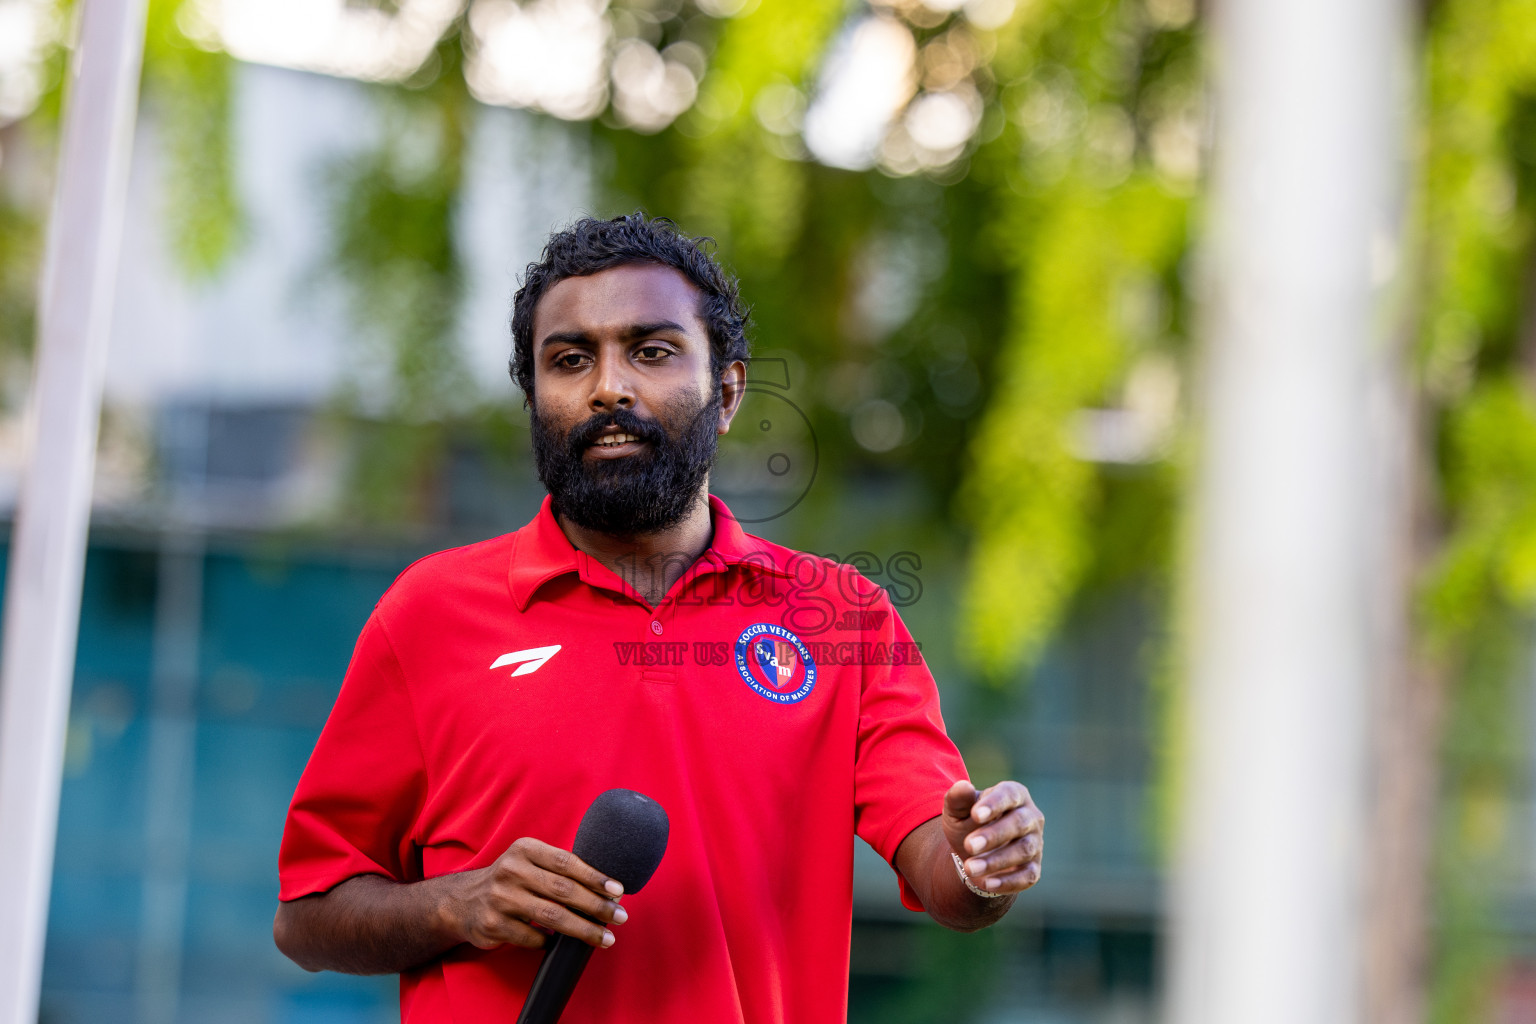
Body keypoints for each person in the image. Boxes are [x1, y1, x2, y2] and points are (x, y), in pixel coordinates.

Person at [273, 213, 1044, 1022]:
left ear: (730, 393)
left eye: (652, 350)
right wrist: (454, 904)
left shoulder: (843, 620)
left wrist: (982, 858)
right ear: (535, 397)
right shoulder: (429, 614)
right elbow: (310, 915)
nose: (609, 386)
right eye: (570, 360)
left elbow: (945, 872)